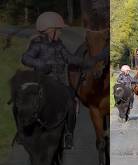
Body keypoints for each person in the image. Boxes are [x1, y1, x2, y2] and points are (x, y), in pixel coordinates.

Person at [21, 12, 107, 149]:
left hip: (59, 83)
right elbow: (25, 58)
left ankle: (68, 134)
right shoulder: (37, 44)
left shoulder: (59, 45)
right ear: (50, 30)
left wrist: (90, 62)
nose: (60, 33)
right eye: (58, 30)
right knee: (28, 104)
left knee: (71, 104)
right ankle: (25, 132)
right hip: (43, 81)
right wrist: (40, 64)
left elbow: (71, 58)